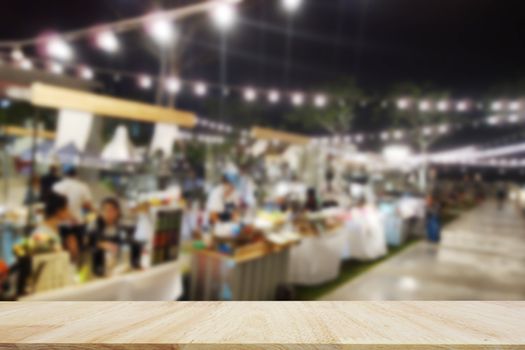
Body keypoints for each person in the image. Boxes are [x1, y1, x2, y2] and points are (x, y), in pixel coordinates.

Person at [53, 167, 94, 255]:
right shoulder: (83, 187)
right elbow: (89, 207)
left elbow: (54, 207)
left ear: (64, 175)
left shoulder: (56, 186)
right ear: (76, 176)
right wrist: (87, 220)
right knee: (77, 252)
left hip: (60, 224)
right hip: (78, 223)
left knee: (61, 250)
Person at [88, 198, 130, 275]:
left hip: (117, 264)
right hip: (98, 265)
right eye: (104, 210)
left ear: (117, 212)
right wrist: (101, 244)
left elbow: (126, 243)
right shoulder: (94, 226)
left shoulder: (121, 226)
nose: (107, 213)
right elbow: (88, 243)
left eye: (111, 210)